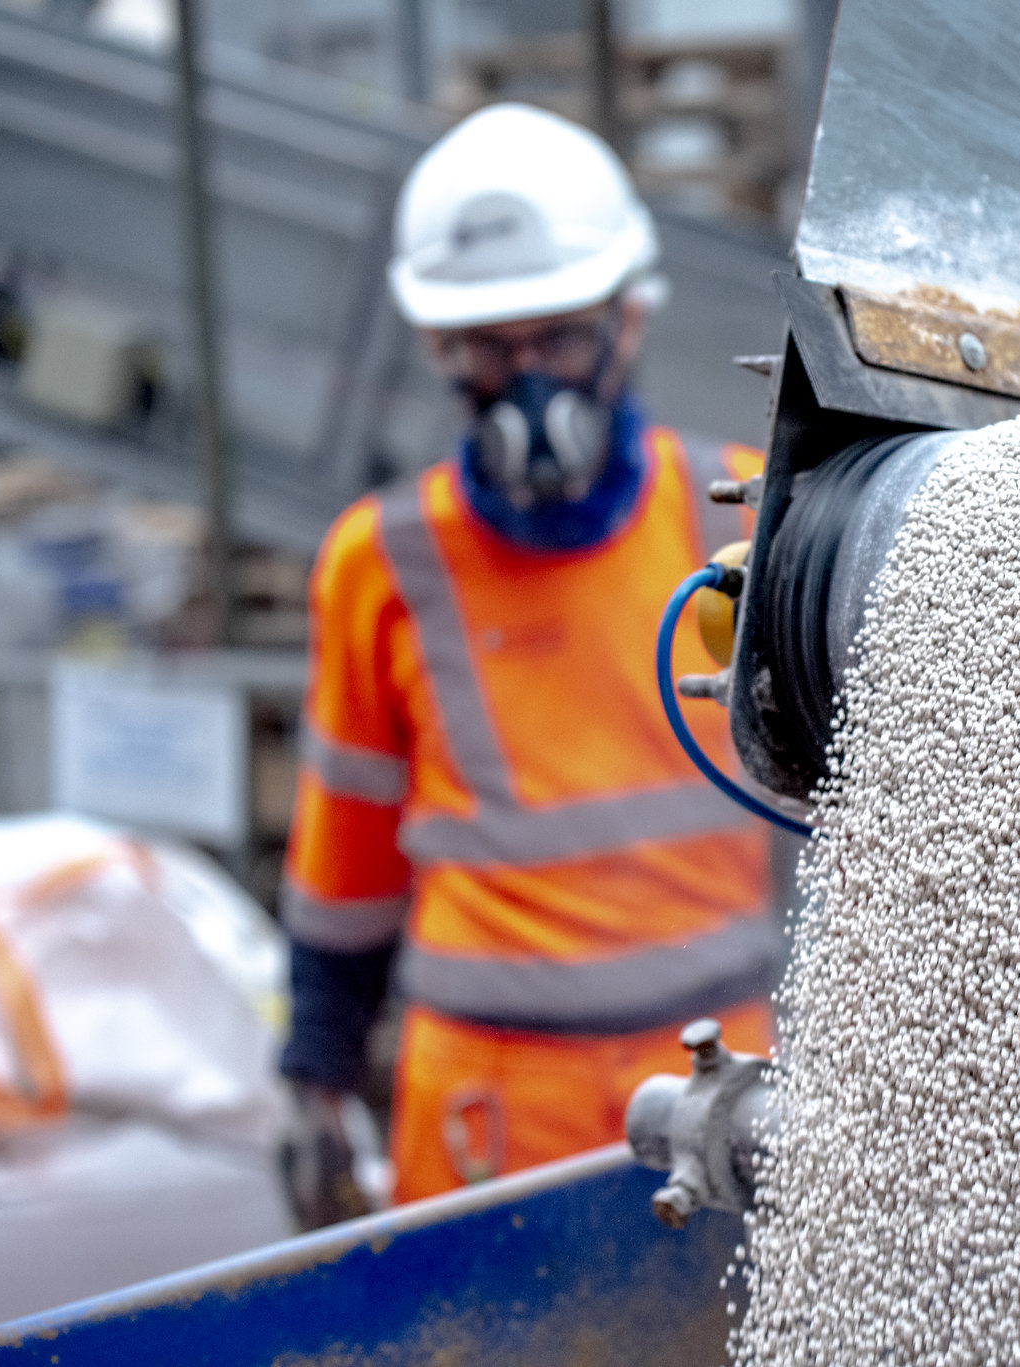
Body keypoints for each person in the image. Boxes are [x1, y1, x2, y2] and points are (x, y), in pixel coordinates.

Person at [277, 103, 777, 1225]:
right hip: (488, 1120)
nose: (529, 379)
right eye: (492, 348)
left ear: (628, 322)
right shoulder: (383, 561)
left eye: (556, 338)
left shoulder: (740, 523)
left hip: (723, 1090)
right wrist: (314, 1073)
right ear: (438, 349)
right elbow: (342, 859)